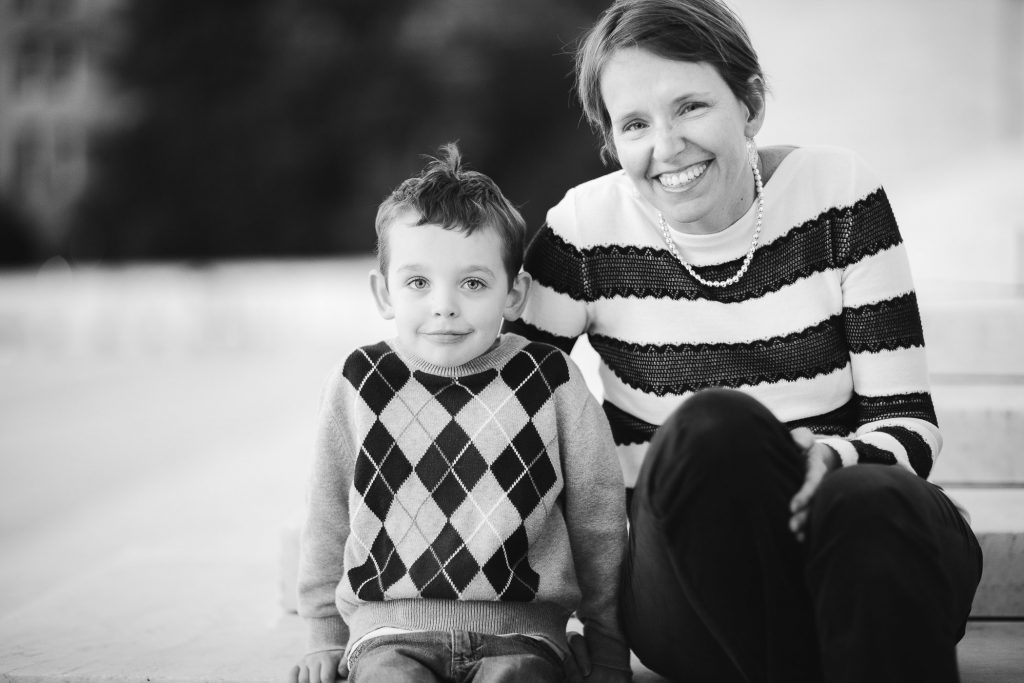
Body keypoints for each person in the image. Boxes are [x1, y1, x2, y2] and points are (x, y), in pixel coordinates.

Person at [505, 1, 983, 681]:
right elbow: (500, 407)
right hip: (692, 582)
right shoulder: (586, 229)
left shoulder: (839, 194)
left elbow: (910, 423)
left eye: (691, 106)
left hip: (864, 552)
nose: (666, 145)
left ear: (750, 104)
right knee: (712, 426)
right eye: (636, 123)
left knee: (868, 497)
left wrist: (831, 455)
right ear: (612, 141)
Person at [289, 143, 630, 683]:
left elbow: (599, 518)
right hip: (389, 632)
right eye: (418, 282)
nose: (443, 304)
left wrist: (607, 642)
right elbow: (328, 512)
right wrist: (325, 635)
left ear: (513, 294)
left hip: (524, 634)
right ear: (384, 293)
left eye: (473, 283)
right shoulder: (360, 381)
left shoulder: (551, 379)